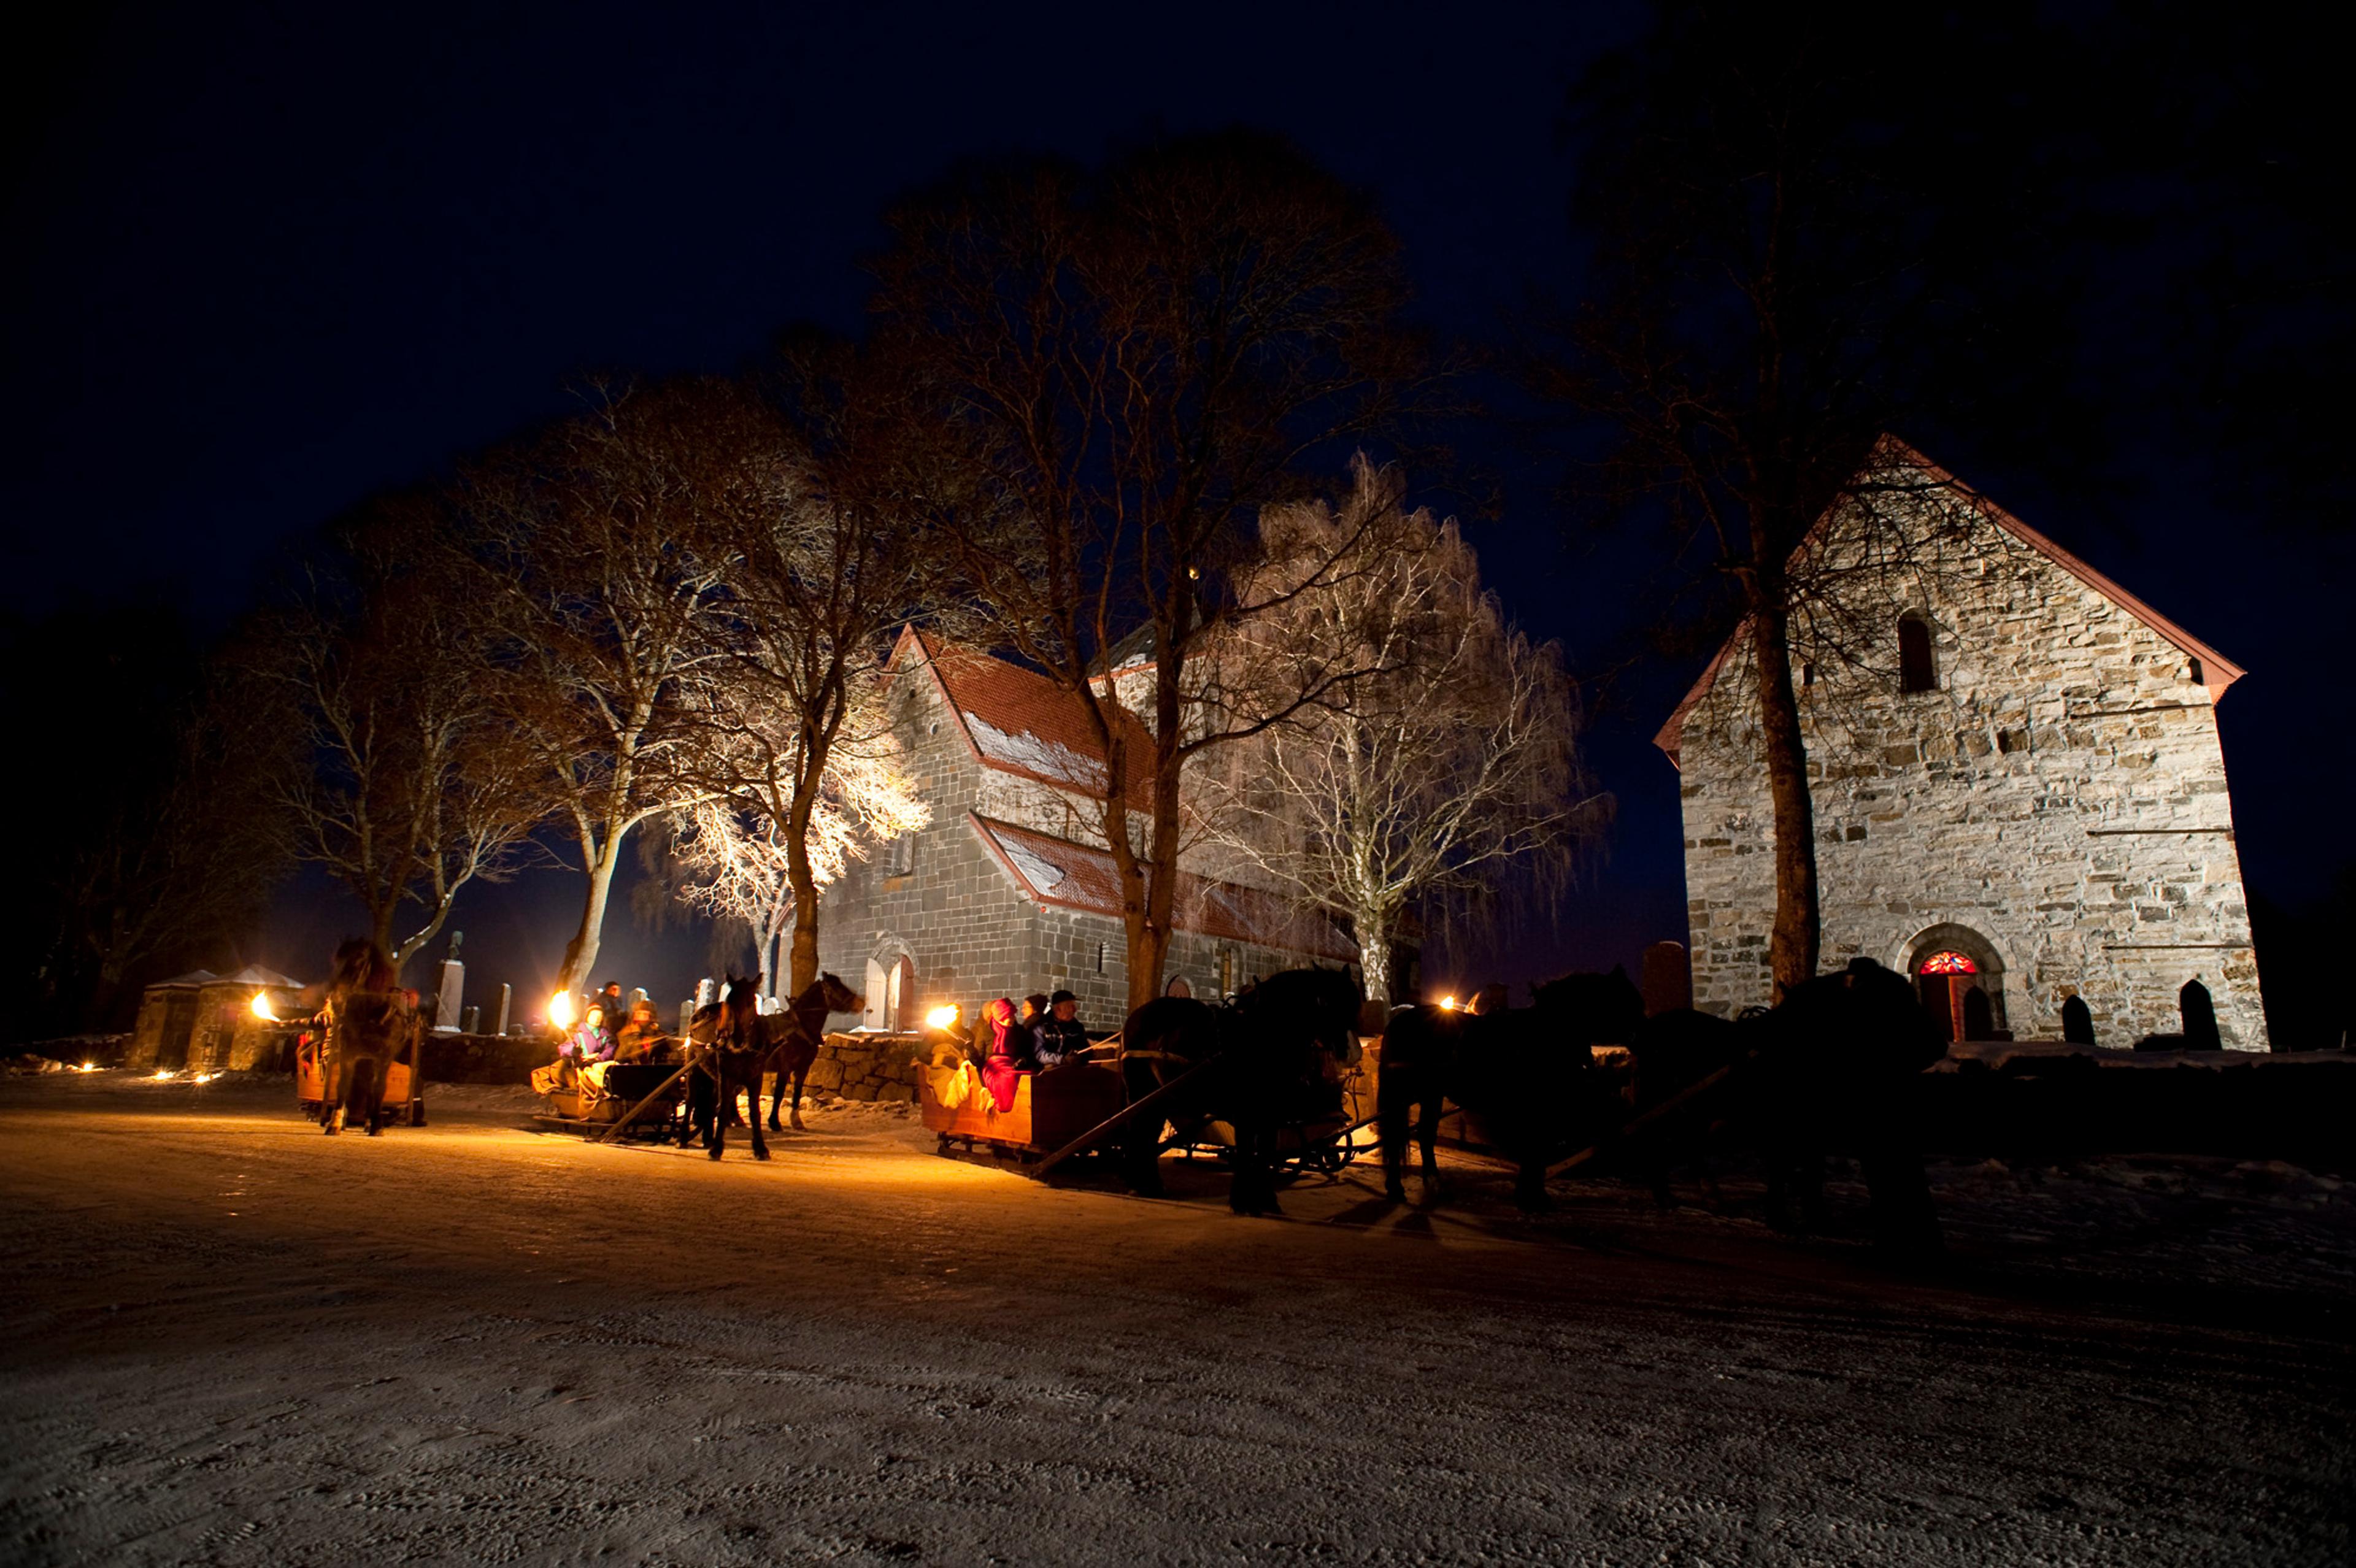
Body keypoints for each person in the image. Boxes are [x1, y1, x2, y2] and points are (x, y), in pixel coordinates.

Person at [320, 937, 409, 1137]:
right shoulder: (349, 971)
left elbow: (391, 991)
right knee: (346, 1073)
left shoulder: (383, 974)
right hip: (354, 1017)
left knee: (378, 1075)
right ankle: (339, 1113)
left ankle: (374, 1116)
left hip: (377, 1015)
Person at [976, 997, 1026, 1112]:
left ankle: (1023, 1110)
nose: (1013, 1019)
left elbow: (1025, 1051)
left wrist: (1023, 1060)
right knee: (1008, 1078)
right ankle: (1006, 1107)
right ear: (1001, 1017)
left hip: (1012, 1064)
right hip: (993, 1068)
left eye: (1013, 1016)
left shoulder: (1019, 1031)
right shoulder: (985, 1031)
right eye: (1009, 1016)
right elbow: (979, 1059)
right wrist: (970, 1051)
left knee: (1027, 1076)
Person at [1033, 990, 1088, 1067]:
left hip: (1072, 1072)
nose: (1075, 1010)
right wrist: (1062, 1060)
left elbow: (1085, 1048)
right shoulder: (1041, 1027)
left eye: (1074, 1006)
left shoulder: (1077, 1027)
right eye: (1070, 1006)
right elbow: (1039, 1054)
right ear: (1058, 1009)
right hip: (1047, 1074)